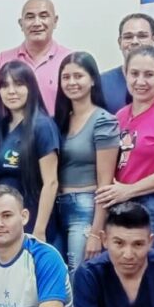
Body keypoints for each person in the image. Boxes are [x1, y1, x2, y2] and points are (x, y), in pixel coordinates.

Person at [95, 45, 154, 255]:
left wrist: (130, 189)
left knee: (150, 276)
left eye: (149, 74)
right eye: (134, 74)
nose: (140, 81)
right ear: (125, 74)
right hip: (120, 204)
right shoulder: (120, 115)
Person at [52, 52, 119, 272]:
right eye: (66, 77)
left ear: (92, 80)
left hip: (86, 207)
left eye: (78, 76)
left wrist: (95, 232)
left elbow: (105, 182)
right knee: (58, 278)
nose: (71, 82)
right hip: (57, 207)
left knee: (77, 276)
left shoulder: (103, 121)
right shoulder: (60, 120)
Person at [0, 61, 59, 239]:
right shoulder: (0, 127)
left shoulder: (42, 126)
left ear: (31, 87)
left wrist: (39, 230)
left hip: (34, 222)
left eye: (18, 84)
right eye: (5, 85)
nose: (11, 91)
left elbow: (51, 183)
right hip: (5, 225)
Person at [0, 0, 71, 113]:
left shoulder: (70, 60)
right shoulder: (1, 61)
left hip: (58, 130)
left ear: (55, 21)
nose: (37, 23)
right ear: (21, 24)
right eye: (30, 17)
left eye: (43, 16)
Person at [99, 13, 154, 114]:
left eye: (142, 36)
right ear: (120, 42)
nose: (135, 41)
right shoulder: (102, 82)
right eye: (128, 37)